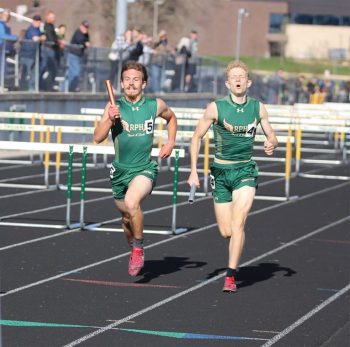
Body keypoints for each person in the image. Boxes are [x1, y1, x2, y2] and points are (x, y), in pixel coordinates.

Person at [187, 60, 278, 293]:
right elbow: (196, 137)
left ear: (248, 82)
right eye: (234, 77)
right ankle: (234, 254)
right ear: (228, 83)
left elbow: (271, 134)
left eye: (242, 76)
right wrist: (194, 171)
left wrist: (271, 142)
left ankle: (230, 275)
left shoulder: (258, 108)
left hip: (245, 171)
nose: (238, 80)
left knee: (239, 223)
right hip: (220, 171)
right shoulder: (215, 108)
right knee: (226, 231)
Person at [93, 61, 177, 276]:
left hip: (144, 169)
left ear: (144, 83)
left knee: (133, 202)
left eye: (136, 80)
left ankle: (138, 248)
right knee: (126, 218)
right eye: (127, 79)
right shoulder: (113, 107)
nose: (131, 83)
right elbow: (97, 138)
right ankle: (133, 244)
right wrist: (109, 120)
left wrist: (170, 142)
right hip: (120, 171)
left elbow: (171, 118)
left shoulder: (154, 105)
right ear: (121, 83)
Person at [19, 14, 46, 91]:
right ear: (33, 21)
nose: (37, 23)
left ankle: (32, 89)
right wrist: (41, 38)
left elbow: (42, 37)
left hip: (34, 55)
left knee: (34, 73)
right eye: (36, 21)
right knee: (26, 73)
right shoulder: (31, 29)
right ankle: (23, 89)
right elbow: (35, 38)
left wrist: (42, 36)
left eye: (39, 21)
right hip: (27, 55)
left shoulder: (38, 30)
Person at [66, 20, 90, 92]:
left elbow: (87, 42)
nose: (85, 29)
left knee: (75, 73)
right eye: (84, 27)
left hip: (80, 56)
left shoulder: (86, 34)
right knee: (75, 73)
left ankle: (71, 88)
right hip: (73, 55)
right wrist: (85, 43)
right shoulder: (78, 32)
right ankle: (69, 88)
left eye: (87, 27)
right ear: (81, 26)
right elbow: (80, 41)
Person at [41, 11, 60, 91]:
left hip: (52, 50)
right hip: (48, 50)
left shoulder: (52, 26)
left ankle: (48, 86)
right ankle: (43, 86)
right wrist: (57, 42)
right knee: (45, 68)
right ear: (47, 17)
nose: (54, 19)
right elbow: (50, 38)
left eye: (54, 17)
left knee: (52, 70)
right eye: (52, 17)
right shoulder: (47, 26)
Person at [0, 8, 18, 86]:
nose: (6, 17)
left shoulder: (6, 25)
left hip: (4, 49)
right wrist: (15, 37)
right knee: (2, 68)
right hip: (1, 47)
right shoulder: (1, 24)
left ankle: (2, 84)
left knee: (4, 69)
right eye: (4, 15)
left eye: (7, 16)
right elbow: (2, 36)